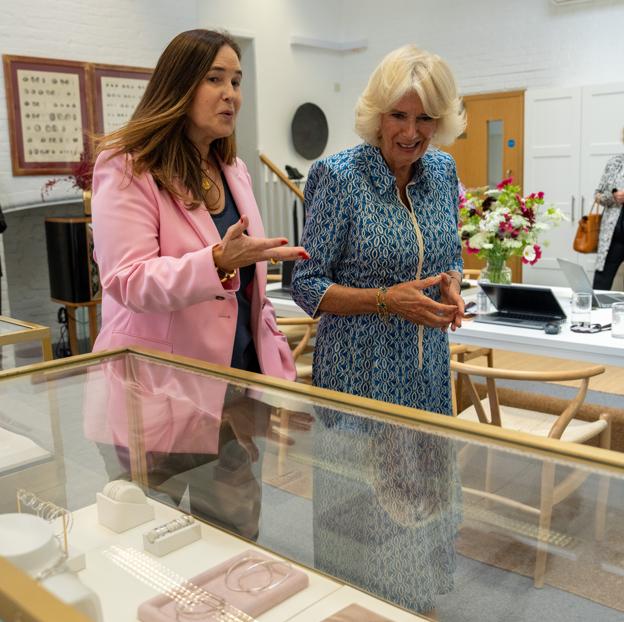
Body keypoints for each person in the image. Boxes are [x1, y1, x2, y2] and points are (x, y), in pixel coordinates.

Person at [291, 44, 466, 614]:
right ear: (377, 114)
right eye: (400, 115)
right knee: (360, 526)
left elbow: (448, 255)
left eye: (425, 118)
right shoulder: (338, 177)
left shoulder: (441, 171)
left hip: (427, 380)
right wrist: (388, 301)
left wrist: (452, 285)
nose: (413, 132)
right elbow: (307, 285)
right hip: (360, 381)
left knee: (426, 512)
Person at [92, 29, 308, 378]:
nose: (231, 95)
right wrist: (217, 262)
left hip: (241, 380)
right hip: (163, 382)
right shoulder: (128, 166)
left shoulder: (235, 171)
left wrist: (278, 369)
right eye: (215, 79)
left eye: (236, 82)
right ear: (179, 86)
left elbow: (250, 301)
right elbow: (127, 280)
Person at [593, 132, 624, 291]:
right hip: (613, 236)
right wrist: (613, 196)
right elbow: (597, 195)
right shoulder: (614, 163)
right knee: (600, 283)